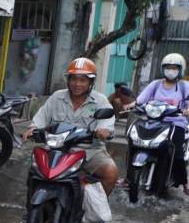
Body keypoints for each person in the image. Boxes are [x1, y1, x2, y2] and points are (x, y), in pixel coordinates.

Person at [23, 57, 118, 194]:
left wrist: (104, 131)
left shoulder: (100, 101)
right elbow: (42, 116)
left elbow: (107, 124)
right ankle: (31, 208)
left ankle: (93, 210)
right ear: (68, 80)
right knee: (34, 170)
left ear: (90, 82)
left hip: (89, 150)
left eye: (82, 80)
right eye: (73, 79)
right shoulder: (57, 97)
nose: (77, 84)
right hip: (57, 149)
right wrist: (33, 128)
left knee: (110, 172)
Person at [134, 52, 189, 196]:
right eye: (168, 67)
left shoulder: (184, 86)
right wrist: (130, 105)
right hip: (154, 121)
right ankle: (129, 177)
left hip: (176, 123)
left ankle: (185, 184)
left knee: (177, 153)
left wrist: (188, 110)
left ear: (180, 70)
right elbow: (140, 100)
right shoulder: (155, 84)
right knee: (135, 142)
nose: (171, 70)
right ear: (163, 68)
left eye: (174, 68)